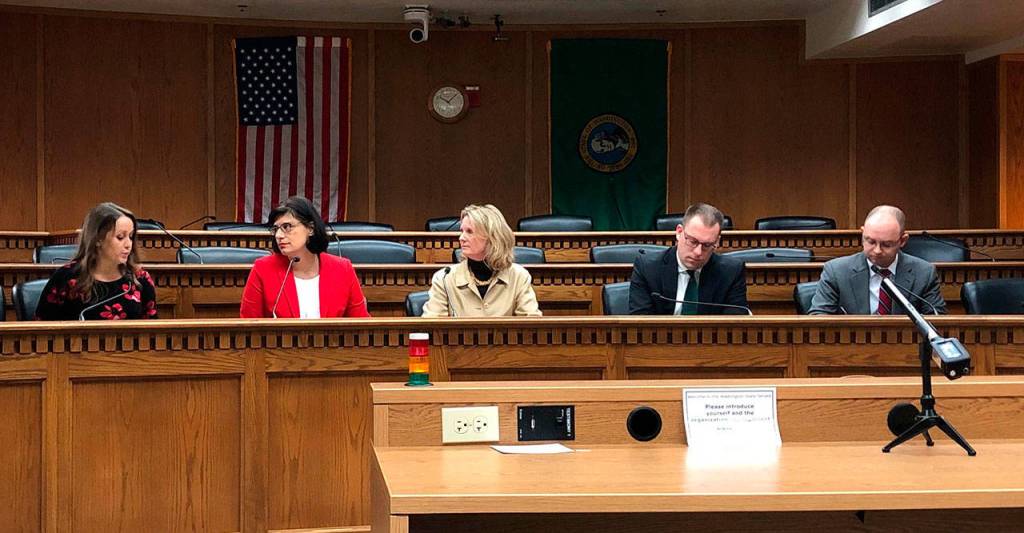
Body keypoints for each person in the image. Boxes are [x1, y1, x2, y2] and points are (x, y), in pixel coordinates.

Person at [240, 196, 370, 318]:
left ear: (310, 229)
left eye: (287, 227)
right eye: (276, 229)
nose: (278, 235)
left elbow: (361, 324)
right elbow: (248, 325)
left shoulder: (342, 269)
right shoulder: (263, 269)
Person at [809, 205, 945, 315]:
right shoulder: (836, 271)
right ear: (862, 233)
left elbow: (937, 321)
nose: (877, 250)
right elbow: (819, 318)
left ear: (903, 240)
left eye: (886, 244)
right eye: (871, 242)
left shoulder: (924, 273)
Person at [35, 202, 158, 320]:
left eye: (130, 237)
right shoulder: (66, 278)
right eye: (120, 237)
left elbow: (153, 328)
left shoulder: (139, 278)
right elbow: (42, 328)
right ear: (98, 239)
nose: (128, 244)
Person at [422, 204, 541, 317]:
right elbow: (432, 325)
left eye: (469, 231)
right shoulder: (444, 278)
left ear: (492, 237)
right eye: (462, 231)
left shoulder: (519, 276)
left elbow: (532, 324)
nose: (461, 238)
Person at [629, 202, 748, 315]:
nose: (698, 252)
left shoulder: (731, 272)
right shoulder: (647, 268)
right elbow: (641, 321)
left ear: (717, 241)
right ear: (679, 232)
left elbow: (735, 323)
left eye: (707, 245)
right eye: (692, 241)